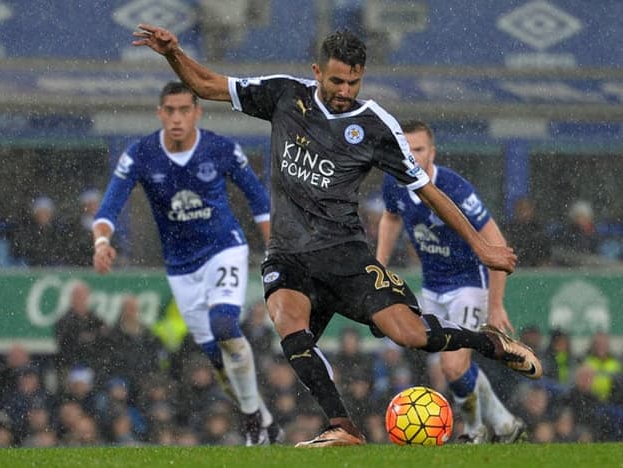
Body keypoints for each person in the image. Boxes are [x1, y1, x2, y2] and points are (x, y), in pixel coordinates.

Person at [131, 24, 541, 448]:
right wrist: (172, 53)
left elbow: (426, 190)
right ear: (317, 72)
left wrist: (481, 247)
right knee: (288, 324)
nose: (345, 90)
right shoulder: (285, 95)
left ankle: (491, 344)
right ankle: (344, 426)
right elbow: (207, 84)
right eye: (337, 80)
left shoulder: (376, 125)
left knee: (412, 335)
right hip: (288, 252)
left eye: (353, 82)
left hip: (344, 253)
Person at [92, 81, 281, 446]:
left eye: (184, 110)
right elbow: (109, 207)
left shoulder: (220, 148)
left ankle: (253, 425)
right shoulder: (141, 155)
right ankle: (263, 418)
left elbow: (258, 200)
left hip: (224, 248)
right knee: (217, 358)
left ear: (197, 112)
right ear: (159, 113)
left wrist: (274, 249)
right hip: (181, 267)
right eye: (170, 111)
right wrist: (102, 242)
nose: (177, 118)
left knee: (225, 324)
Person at [376, 120, 527, 444]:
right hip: (431, 288)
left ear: (432, 151)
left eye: (419, 149)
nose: (412, 157)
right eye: (407, 149)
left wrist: (496, 304)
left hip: (468, 285)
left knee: (453, 365)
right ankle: (504, 424)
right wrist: (379, 265)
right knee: (450, 367)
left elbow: (497, 243)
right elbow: (391, 217)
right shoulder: (393, 182)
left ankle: (475, 432)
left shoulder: (456, 189)